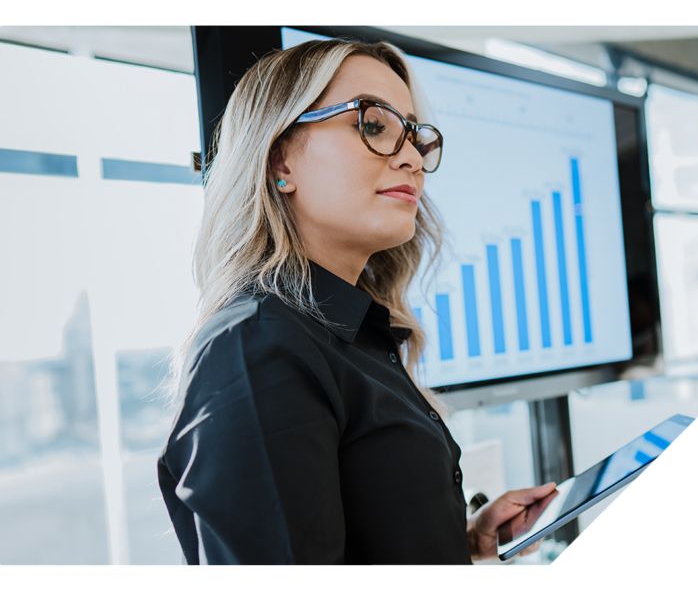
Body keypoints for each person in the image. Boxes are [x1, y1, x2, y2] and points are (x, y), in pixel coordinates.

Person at [156, 36, 559, 564]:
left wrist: (463, 541)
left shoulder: (351, 335)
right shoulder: (255, 348)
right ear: (280, 161)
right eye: (373, 126)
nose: (412, 158)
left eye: (414, 136)